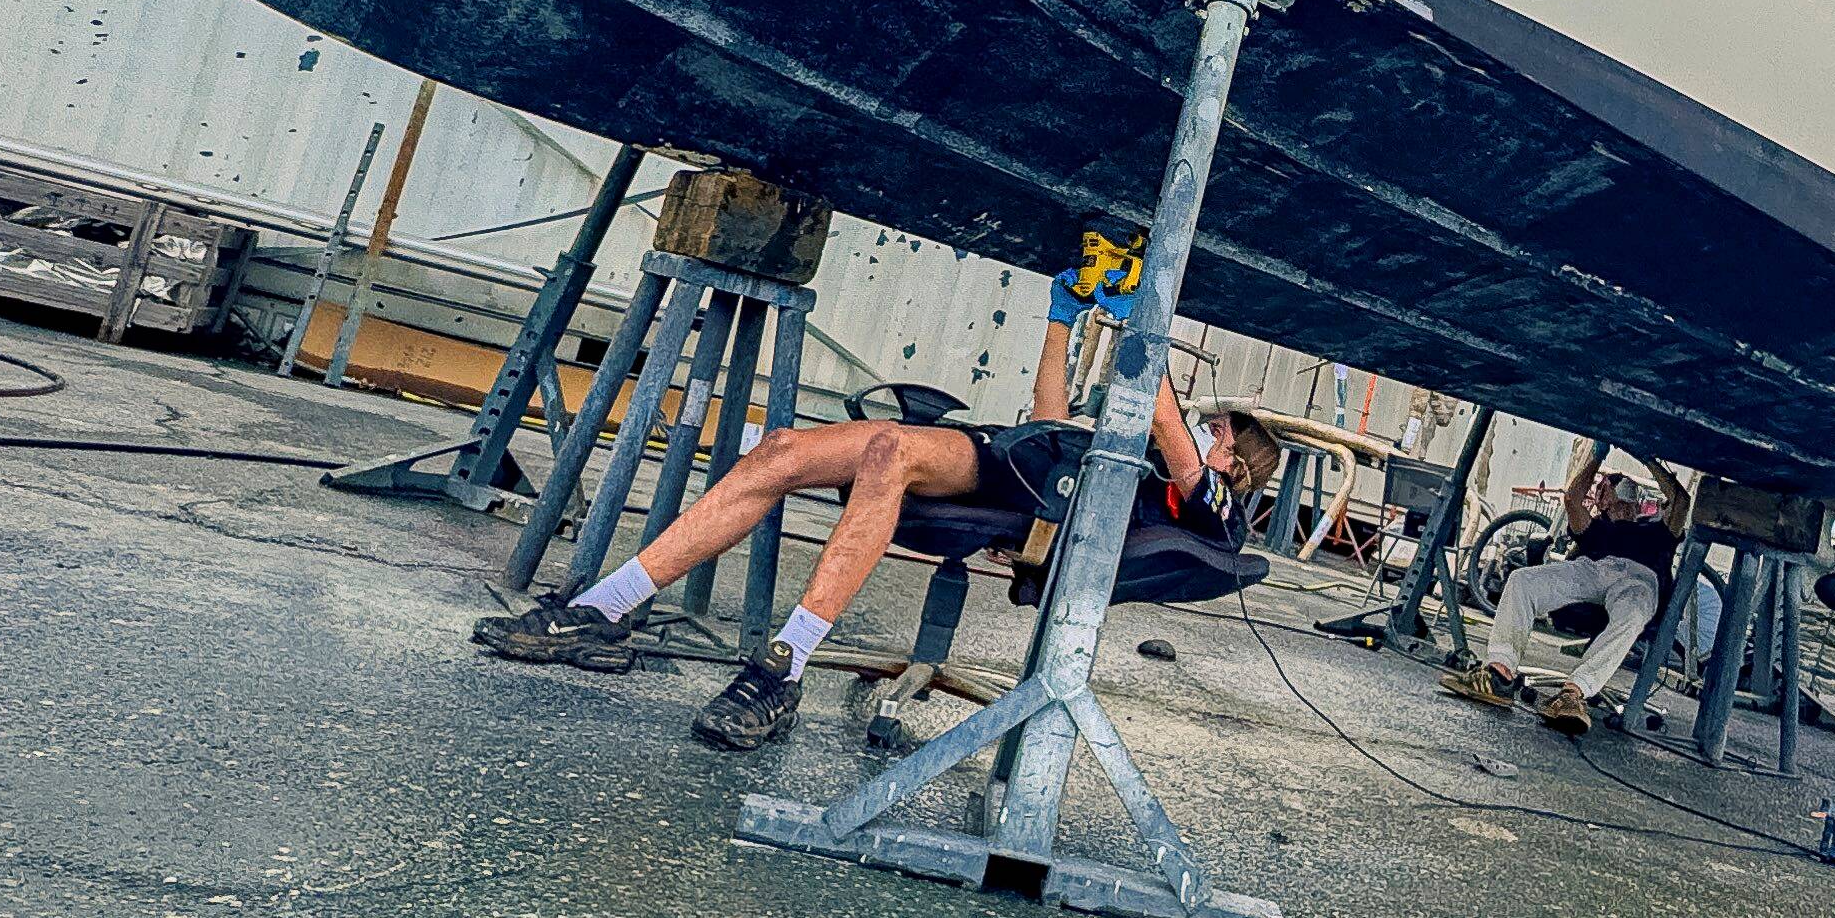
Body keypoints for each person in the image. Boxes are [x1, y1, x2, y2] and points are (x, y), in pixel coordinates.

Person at [476, 314, 1274, 752]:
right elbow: (1050, 417)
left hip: (1020, 496)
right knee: (782, 450)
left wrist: (1144, 313)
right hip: (1007, 453)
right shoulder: (1160, 458)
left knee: (889, 451)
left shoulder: (1209, 501)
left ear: (1234, 462)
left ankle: (784, 668)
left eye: (1218, 435)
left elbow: (1165, 419)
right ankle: (605, 608)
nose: (1205, 433)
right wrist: (1063, 318)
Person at [1442, 444, 1689, 734]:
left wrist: (1648, 458)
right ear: (1601, 500)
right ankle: (1499, 674)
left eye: (1626, 495)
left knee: (1632, 613)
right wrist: (1597, 456)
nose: (1620, 496)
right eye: (1611, 492)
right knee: (1522, 581)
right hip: (1593, 569)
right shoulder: (1595, 528)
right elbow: (1572, 498)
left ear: (1638, 505)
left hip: (1638, 580)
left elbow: (1681, 501)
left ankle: (1574, 693)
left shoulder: (1657, 530)